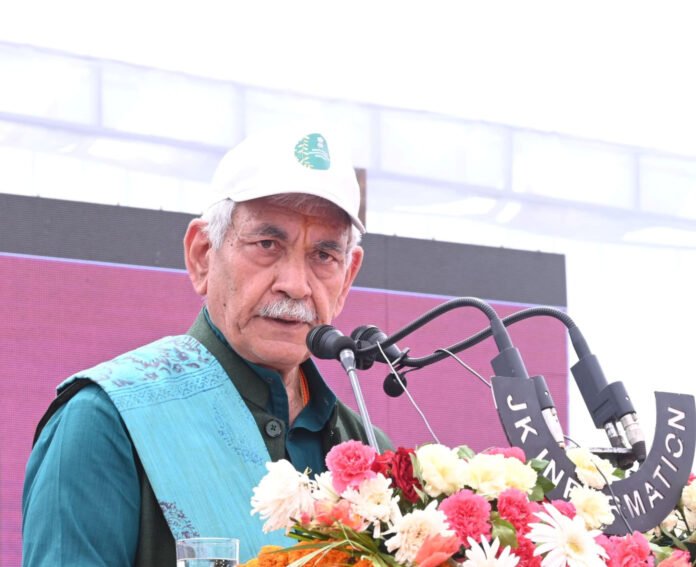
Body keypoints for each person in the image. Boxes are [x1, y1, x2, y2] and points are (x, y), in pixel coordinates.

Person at [22, 128, 392, 566]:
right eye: (267, 245)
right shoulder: (105, 421)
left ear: (347, 278)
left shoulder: (372, 454)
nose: (295, 285)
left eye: (323, 256)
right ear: (202, 255)